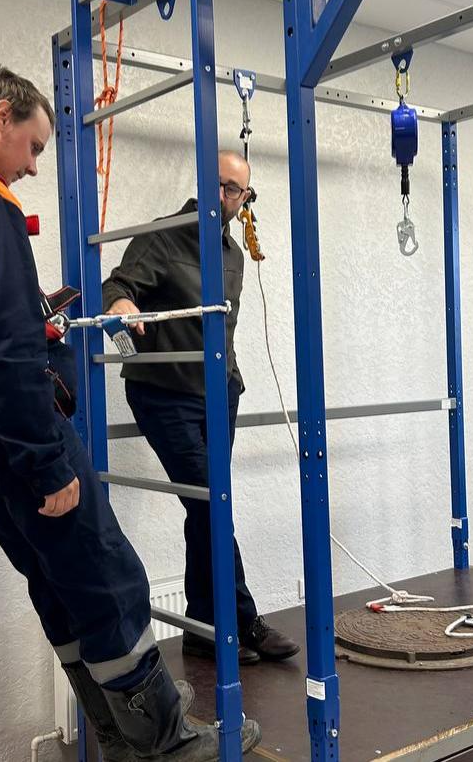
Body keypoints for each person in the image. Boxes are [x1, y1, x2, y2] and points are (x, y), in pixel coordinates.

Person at [0, 63, 259, 761]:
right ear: (1, 116)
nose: (32, 167)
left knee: (56, 580)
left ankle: (117, 732)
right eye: (34, 146)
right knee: (105, 573)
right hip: (5, 423)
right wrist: (45, 462)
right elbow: (1, 348)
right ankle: (164, 742)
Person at [102, 151, 300, 666]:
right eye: (218, 183)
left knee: (203, 508)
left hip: (219, 394)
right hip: (163, 392)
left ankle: (202, 628)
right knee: (212, 503)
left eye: (235, 190)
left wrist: (231, 379)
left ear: (244, 199)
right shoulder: (164, 235)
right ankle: (244, 620)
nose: (224, 196)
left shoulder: (234, 255)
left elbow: (222, 326)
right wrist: (121, 304)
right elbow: (118, 285)